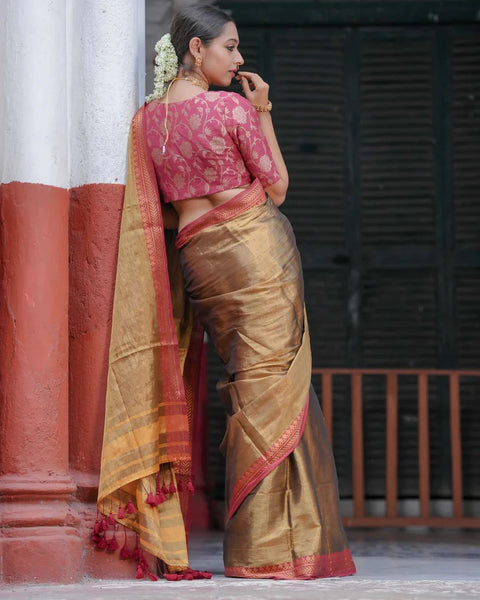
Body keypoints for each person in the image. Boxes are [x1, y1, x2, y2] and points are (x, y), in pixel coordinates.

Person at [95, 3, 356, 581]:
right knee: (275, 386)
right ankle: (273, 549)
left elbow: (156, 214)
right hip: (259, 253)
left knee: (247, 383)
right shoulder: (232, 108)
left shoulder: (148, 122)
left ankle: (263, 543)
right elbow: (279, 187)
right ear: (196, 49)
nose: (238, 59)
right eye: (230, 47)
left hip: (201, 261)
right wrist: (263, 111)